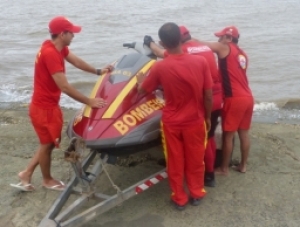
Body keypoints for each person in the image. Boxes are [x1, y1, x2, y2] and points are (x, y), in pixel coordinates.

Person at [10, 16, 113, 192]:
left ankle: (26, 173)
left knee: (47, 143)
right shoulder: (51, 54)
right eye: (71, 33)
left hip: (48, 105)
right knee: (47, 144)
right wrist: (89, 101)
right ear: (62, 34)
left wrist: (97, 71)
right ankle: (47, 180)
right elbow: (64, 86)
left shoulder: (55, 47)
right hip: (44, 109)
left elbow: (76, 61)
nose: (74, 36)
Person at [137, 22, 212, 210]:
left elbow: (143, 90)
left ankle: (179, 197)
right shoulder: (200, 62)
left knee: (175, 160)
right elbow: (208, 95)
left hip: (171, 122)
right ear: (181, 38)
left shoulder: (160, 67)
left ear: (162, 43)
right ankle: (196, 192)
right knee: (196, 158)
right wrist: (208, 117)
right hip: (195, 120)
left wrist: (139, 81)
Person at [193, 26, 254, 175]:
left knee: (228, 135)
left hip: (234, 99)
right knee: (244, 133)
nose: (218, 39)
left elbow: (201, 44)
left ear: (229, 38)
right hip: (248, 97)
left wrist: (186, 40)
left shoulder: (225, 48)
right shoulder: (242, 54)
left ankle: (224, 168)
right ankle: (243, 166)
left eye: (221, 37)